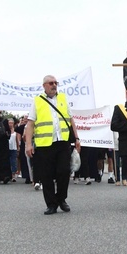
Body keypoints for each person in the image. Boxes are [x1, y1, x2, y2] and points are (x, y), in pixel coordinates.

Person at [25, 75, 81, 215]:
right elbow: (30, 124)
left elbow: (71, 120)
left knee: (64, 171)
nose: (54, 85)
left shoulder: (62, 98)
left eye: (56, 83)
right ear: (44, 85)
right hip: (44, 145)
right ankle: (51, 204)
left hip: (62, 142)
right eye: (51, 83)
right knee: (46, 175)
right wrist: (28, 144)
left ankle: (61, 199)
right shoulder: (37, 101)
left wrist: (77, 138)